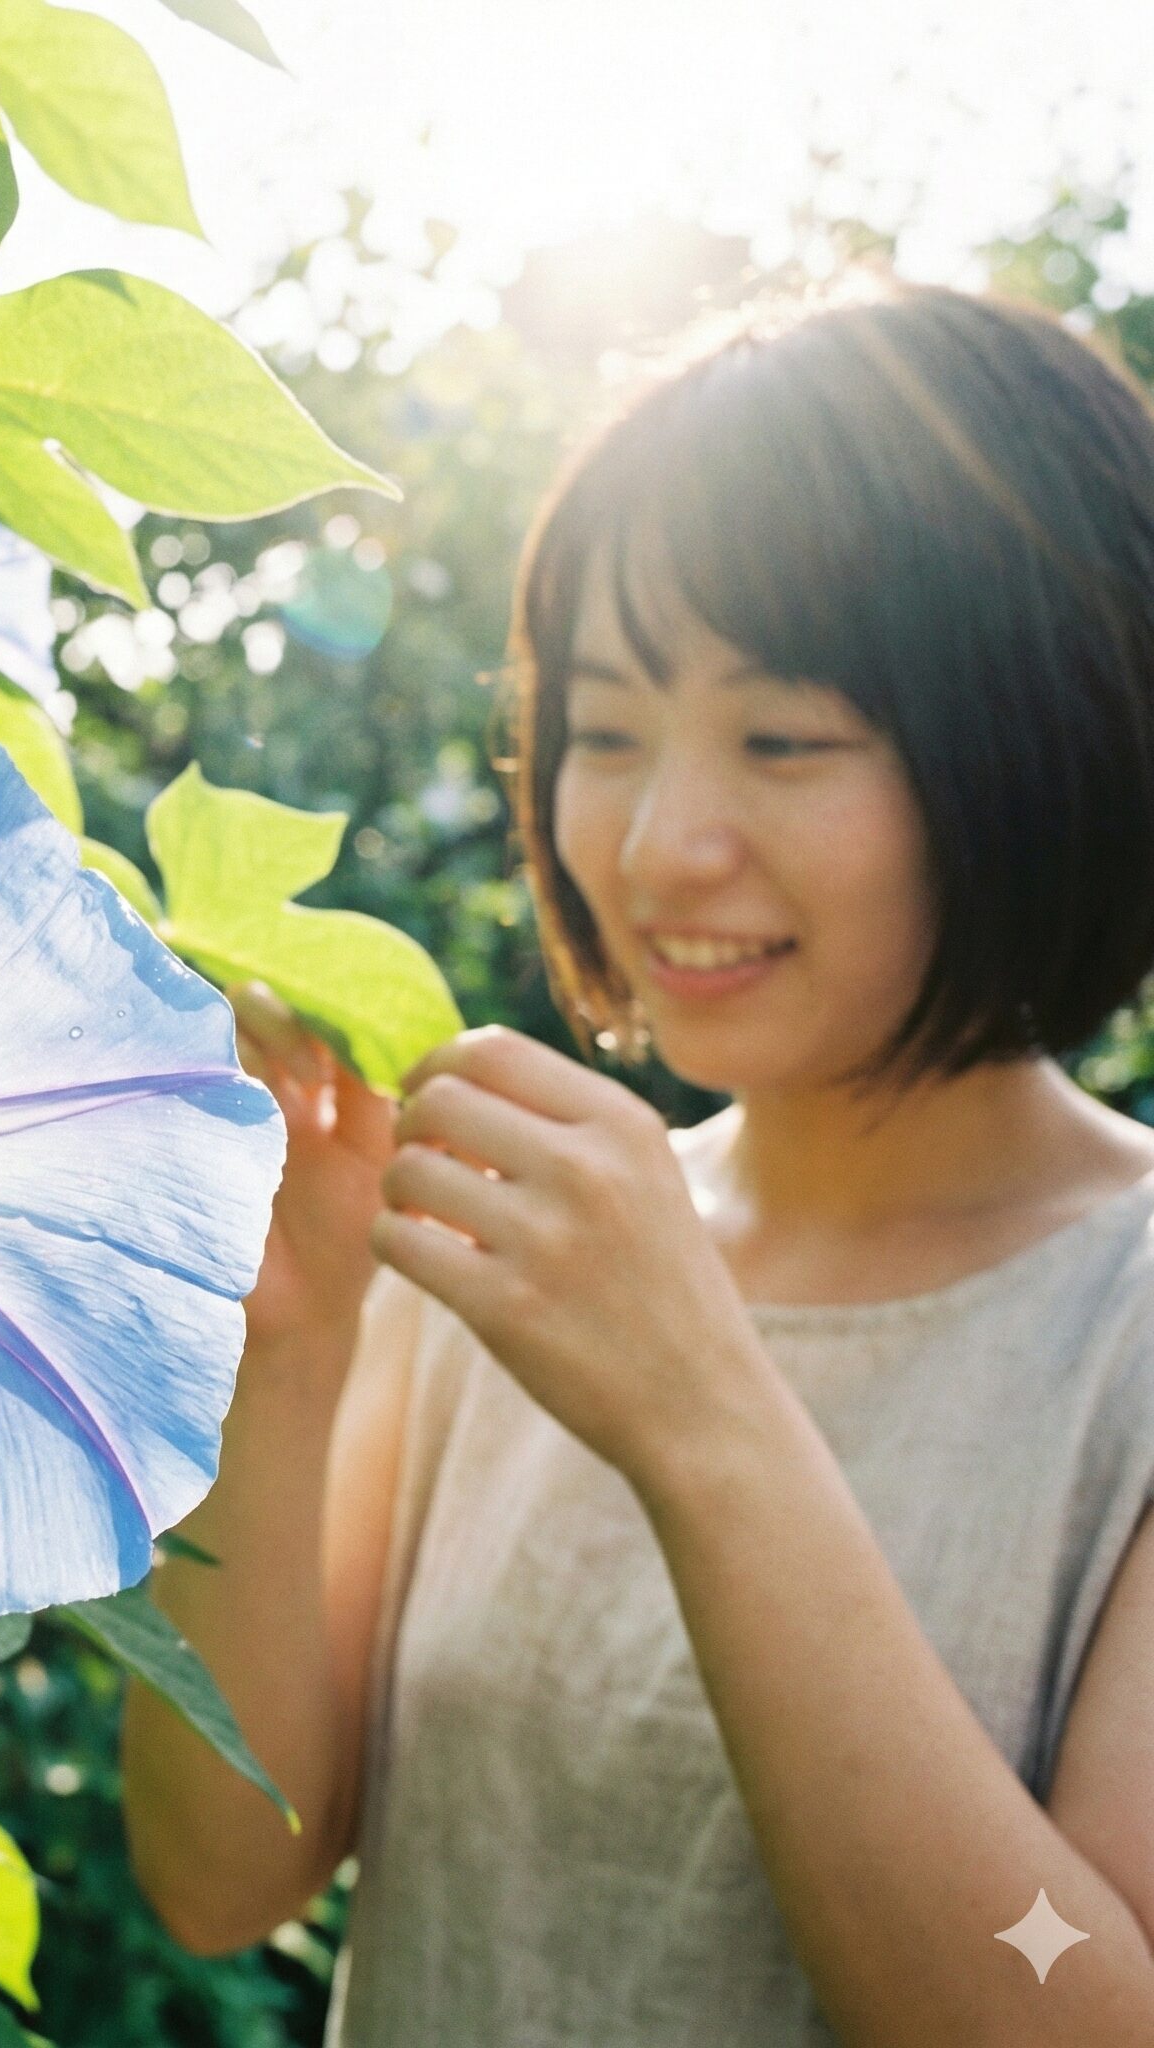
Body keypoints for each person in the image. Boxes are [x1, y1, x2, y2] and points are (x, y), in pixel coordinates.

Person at [119, 275, 1154, 2045]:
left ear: (1042, 740)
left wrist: (701, 1417)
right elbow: (226, 1873)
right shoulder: (522, 1235)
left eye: (785, 739)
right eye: (604, 731)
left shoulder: (1118, 1327)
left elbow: (1077, 2007)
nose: (660, 842)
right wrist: (278, 1358)